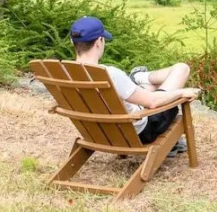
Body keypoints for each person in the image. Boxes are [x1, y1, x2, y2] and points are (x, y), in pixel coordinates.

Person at [70, 16, 198, 153]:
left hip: (99, 131)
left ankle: (139, 78)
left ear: (72, 41)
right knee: (182, 68)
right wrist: (182, 93)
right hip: (139, 132)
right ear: (98, 42)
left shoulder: (65, 73)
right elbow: (153, 102)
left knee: (149, 86)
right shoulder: (109, 74)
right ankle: (140, 77)